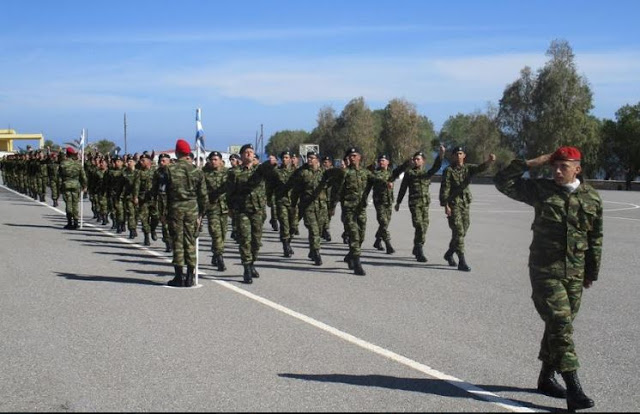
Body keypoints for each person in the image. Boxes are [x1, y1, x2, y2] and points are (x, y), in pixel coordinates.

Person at [494, 146, 602, 411]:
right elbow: (502, 182)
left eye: (563, 166)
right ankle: (574, 388)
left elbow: (595, 237)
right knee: (560, 324)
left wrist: (591, 272)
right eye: (554, 166)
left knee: (558, 326)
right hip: (545, 271)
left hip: (575, 273)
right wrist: (533, 162)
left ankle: (545, 378)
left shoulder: (591, 198)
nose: (556, 171)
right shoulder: (541, 190)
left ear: (577, 168)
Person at [439, 146, 496, 271]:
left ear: (464, 155)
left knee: (463, 231)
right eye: (456, 154)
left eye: (460, 153)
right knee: (459, 232)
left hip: (465, 204)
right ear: (453, 156)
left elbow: (480, 168)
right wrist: (446, 206)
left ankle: (449, 253)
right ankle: (462, 261)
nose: (458, 156)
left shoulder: (468, 168)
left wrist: (489, 161)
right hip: (454, 204)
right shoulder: (448, 171)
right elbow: (445, 189)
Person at [226, 144, 277, 283]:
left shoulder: (259, 170)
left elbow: (268, 171)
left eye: (251, 152)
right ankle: (247, 268)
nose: (249, 154)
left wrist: (271, 163)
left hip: (258, 211)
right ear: (241, 156)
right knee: (245, 240)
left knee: (256, 241)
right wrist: (230, 209)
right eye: (246, 152)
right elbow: (229, 193)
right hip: (242, 211)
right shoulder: (234, 172)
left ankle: (252, 262)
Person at [165, 139, 207, 288]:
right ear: (188, 153)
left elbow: (164, 193)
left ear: (176, 153)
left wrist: (164, 211)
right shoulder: (197, 171)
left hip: (175, 208)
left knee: (177, 241)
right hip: (192, 209)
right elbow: (203, 196)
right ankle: (190, 276)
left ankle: (178, 276)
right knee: (190, 241)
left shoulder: (169, 170)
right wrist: (201, 213)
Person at [394, 145, 445, 263]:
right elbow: (403, 188)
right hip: (414, 203)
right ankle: (419, 250)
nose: (416, 161)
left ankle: (417, 246)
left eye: (418, 159)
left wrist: (441, 155)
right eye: (415, 159)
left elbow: (436, 167)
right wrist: (398, 202)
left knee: (424, 226)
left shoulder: (427, 173)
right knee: (419, 225)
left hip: (425, 204)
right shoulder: (409, 173)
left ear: (423, 161)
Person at [291, 150, 328, 265]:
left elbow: (330, 190)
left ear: (317, 159)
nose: (310, 160)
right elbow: (296, 191)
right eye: (308, 158)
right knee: (313, 230)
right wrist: (293, 205)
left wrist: (331, 205)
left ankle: (312, 249)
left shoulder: (324, 173)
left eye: (312, 158)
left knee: (320, 230)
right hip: (308, 206)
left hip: (322, 206)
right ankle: (316, 253)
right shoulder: (302, 173)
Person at [202, 150, 229, 271]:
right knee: (215, 233)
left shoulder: (227, 173)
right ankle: (219, 257)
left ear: (220, 161)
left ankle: (215, 253)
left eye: (216, 159)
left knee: (223, 234)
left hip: (224, 207)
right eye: (212, 159)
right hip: (211, 207)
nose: (213, 162)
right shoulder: (204, 173)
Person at [57, 147, 87, 229]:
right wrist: (84, 185)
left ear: (67, 154)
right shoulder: (78, 164)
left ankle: (70, 222)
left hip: (66, 184)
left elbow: (59, 177)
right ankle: (76, 222)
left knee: (68, 204)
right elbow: (83, 176)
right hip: (76, 185)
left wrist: (59, 186)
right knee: (75, 204)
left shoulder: (63, 164)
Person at [151, 153, 172, 252]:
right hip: (160, 198)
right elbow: (154, 187)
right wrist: (153, 200)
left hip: (171, 199)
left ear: (169, 161)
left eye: (164, 161)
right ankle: (168, 242)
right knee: (164, 221)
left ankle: (172, 240)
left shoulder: (173, 172)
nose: (162, 163)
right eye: (160, 161)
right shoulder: (157, 172)